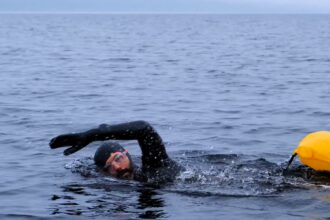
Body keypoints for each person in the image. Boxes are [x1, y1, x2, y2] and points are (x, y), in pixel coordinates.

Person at [49, 120, 183, 182]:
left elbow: (144, 129)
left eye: (118, 158)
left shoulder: (157, 166)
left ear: (127, 154)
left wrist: (93, 135)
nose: (117, 167)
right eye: (109, 167)